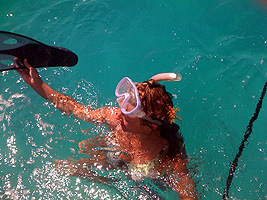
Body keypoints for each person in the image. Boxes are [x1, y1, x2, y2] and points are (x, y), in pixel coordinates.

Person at [15, 58, 198, 199]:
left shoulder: (169, 152)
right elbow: (75, 109)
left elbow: (187, 192)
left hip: (147, 181)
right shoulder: (115, 117)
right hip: (115, 156)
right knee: (65, 168)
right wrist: (38, 85)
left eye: (126, 117)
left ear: (149, 127)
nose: (117, 115)